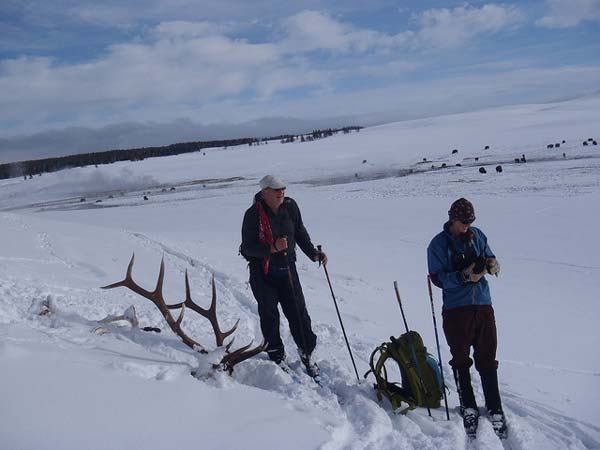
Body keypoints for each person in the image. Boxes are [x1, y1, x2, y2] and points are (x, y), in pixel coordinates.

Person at [427, 198, 506, 437]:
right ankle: (468, 406)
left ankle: (495, 407)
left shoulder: (477, 235)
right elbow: (438, 278)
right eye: (463, 222)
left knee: (487, 356)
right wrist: (463, 277)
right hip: (456, 309)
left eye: (470, 222)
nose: (467, 227)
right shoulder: (437, 245)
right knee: (460, 358)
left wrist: (492, 264)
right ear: (452, 218)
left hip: (482, 304)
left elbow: (488, 255)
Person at [241, 175, 327, 377]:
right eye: (276, 190)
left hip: (287, 267)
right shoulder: (253, 214)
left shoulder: (290, 207)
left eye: (283, 189)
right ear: (265, 193)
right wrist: (272, 248)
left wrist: (313, 253)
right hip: (262, 271)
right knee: (270, 314)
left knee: (298, 312)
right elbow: (247, 248)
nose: (281, 193)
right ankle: (276, 355)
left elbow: (299, 232)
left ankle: (307, 353)